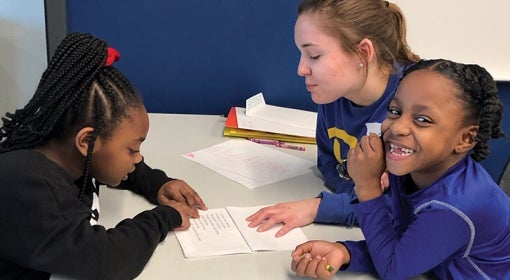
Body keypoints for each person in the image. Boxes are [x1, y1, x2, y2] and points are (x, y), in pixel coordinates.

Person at [0, 32, 207, 279]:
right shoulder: (27, 188)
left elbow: (114, 166)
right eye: (132, 149)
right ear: (87, 141)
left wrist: (157, 183)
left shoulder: (67, 154)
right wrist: (165, 217)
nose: (138, 159)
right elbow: (108, 262)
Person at [291, 59, 510, 280]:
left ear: (465, 138)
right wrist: (347, 252)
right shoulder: (414, 171)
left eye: (422, 119)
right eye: (395, 111)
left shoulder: (455, 207)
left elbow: (393, 268)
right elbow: (404, 245)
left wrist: (367, 186)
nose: (397, 126)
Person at [247, 0, 419, 236]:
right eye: (302, 54)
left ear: (363, 52)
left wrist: (320, 207)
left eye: (314, 56)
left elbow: (409, 211)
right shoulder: (335, 93)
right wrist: (360, 191)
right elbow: (329, 164)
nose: (301, 69)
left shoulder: (415, 108)